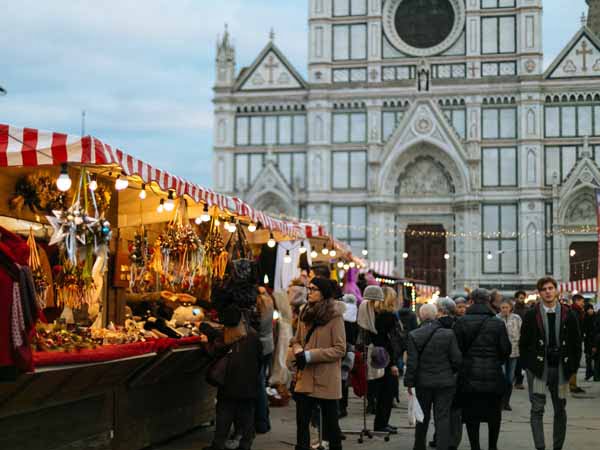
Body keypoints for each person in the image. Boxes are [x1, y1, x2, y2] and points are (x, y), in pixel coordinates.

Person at [520, 277, 582, 450]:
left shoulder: (568, 313)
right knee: (537, 408)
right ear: (539, 293)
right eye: (544, 289)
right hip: (539, 370)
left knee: (560, 409)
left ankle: (557, 447)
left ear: (556, 291)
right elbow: (523, 343)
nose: (547, 291)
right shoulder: (532, 314)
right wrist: (528, 366)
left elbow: (576, 343)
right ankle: (540, 446)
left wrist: (573, 369)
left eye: (550, 288)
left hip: (562, 370)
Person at [288, 277, 346, 450]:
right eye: (309, 288)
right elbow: (296, 340)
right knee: (302, 424)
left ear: (324, 293)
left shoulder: (334, 316)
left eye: (313, 289)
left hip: (326, 379)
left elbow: (340, 349)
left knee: (331, 427)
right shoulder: (305, 311)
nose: (309, 292)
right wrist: (298, 351)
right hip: (305, 377)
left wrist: (310, 355)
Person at [453, 288, 511, 450]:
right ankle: (493, 446)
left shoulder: (461, 322)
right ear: (488, 302)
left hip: (469, 377)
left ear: (471, 301)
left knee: (472, 416)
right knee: (494, 414)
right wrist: (495, 361)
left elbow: (456, 350)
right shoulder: (498, 323)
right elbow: (506, 350)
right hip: (493, 377)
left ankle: (475, 447)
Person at [405, 303, 462, 450]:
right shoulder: (448, 334)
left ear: (420, 316)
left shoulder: (414, 335)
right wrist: (450, 372)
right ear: (436, 315)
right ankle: (442, 446)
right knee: (442, 416)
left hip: (423, 383)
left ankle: (419, 446)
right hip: (445, 382)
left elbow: (412, 363)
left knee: (422, 416)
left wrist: (409, 383)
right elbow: (457, 359)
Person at [204, 306, 262, 450]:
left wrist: (205, 341)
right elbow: (260, 358)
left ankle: (218, 444)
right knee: (246, 413)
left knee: (224, 412)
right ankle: (245, 444)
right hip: (249, 383)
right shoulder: (253, 334)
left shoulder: (229, 335)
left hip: (230, 382)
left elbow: (214, 351)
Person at [369, 286, 403, 433]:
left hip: (376, 356)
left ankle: (381, 423)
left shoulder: (374, 315)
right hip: (387, 357)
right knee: (387, 393)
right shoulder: (389, 316)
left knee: (380, 391)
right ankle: (382, 424)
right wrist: (393, 363)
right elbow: (391, 342)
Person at [497, 299, 522, 411]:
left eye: (507, 307)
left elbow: (521, 332)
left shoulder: (516, 318)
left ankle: (507, 402)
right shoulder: (496, 319)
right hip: (500, 353)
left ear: (510, 308)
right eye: (503, 307)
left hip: (514, 352)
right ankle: (500, 401)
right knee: (501, 377)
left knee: (510, 378)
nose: (505, 310)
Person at [255, 289, 274, 434]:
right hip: (268, 345)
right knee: (261, 383)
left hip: (259, 346)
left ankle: (261, 422)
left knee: (259, 385)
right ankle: (263, 421)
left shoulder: (258, 302)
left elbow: (258, 325)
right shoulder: (268, 299)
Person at [340, 293, 359, 418]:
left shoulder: (341, 314)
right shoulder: (355, 314)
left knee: (339, 378)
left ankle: (340, 406)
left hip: (341, 346)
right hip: (350, 347)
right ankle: (343, 406)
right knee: (345, 377)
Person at [569, 294, 586, 394]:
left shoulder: (578, 312)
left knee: (574, 363)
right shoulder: (574, 312)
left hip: (576, 341)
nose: (583, 304)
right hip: (574, 342)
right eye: (582, 301)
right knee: (573, 363)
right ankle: (572, 385)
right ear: (577, 301)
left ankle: (573, 384)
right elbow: (575, 329)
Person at [512, 290, 528, 389]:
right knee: (514, 360)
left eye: (523, 298)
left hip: (524, 338)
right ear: (516, 298)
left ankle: (519, 381)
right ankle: (514, 378)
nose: (521, 300)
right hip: (514, 338)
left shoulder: (527, 309)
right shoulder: (512, 309)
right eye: (520, 298)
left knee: (522, 361)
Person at [583, 303, 596, 381]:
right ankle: (588, 373)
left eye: (591, 309)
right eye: (588, 309)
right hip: (587, 340)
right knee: (588, 358)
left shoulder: (596, 317)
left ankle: (595, 373)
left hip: (595, 340)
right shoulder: (585, 317)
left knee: (595, 358)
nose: (590, 310)